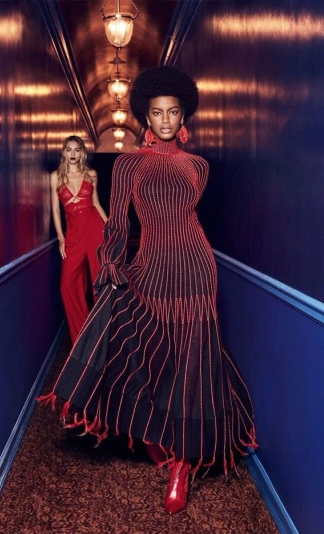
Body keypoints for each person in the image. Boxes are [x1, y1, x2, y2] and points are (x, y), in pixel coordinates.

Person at [39, 67, 257, 515]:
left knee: (192, 357)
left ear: (183, 117)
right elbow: (118, 222)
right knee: (151, 348)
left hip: (196, 267)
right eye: (157, 112)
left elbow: (189, 219)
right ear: (146, 116)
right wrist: (111, 262)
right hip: (151, 265)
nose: (165, 120)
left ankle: (183, 463)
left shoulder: (198, 166)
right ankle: (157, 432)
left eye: (173, 112)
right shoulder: (128, 164)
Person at [50, 135, 107, 344]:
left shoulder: (91, 174)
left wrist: (111, 229)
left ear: (82, 152)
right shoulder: (56, 177)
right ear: (64, 152)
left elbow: (96, 203)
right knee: (67, 286)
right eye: (69, 149)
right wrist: (60, 238)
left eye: (76, 150)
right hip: (73, 236)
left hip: (95, 231)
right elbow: (56, 210)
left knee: (99, 283)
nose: (72, 154)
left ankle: (103, 335)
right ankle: (83, 336)